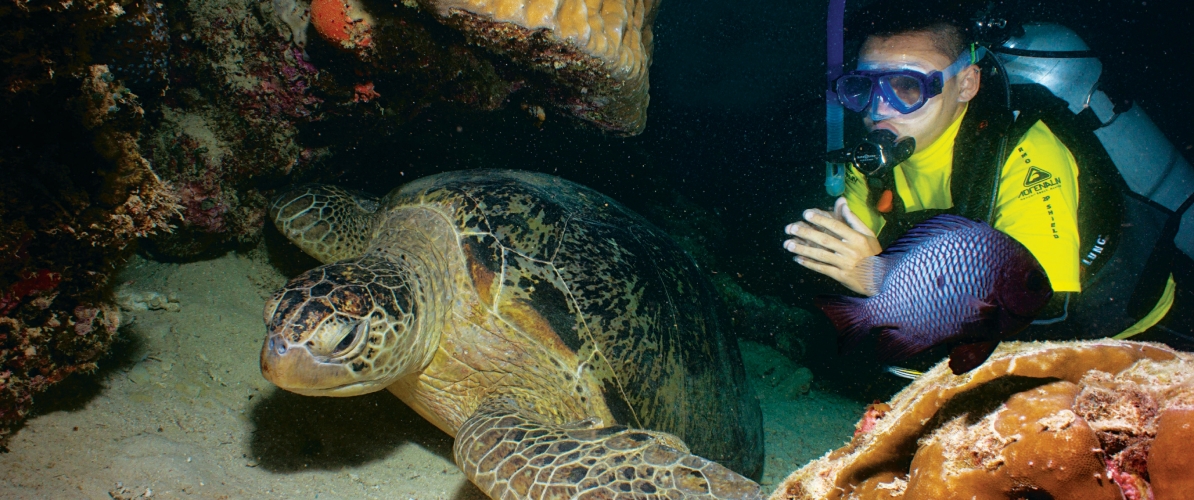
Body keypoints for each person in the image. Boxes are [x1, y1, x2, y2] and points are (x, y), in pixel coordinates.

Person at [782, 4, 1180, 343]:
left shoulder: (1024, 151)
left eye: (907, 86)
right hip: (993, 340)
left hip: (1130, 325)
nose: (879, 109)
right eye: (863, 87)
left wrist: (880, 281)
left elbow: (1040, 302)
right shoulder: (870, 164)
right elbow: (856, 250)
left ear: (967, 84)